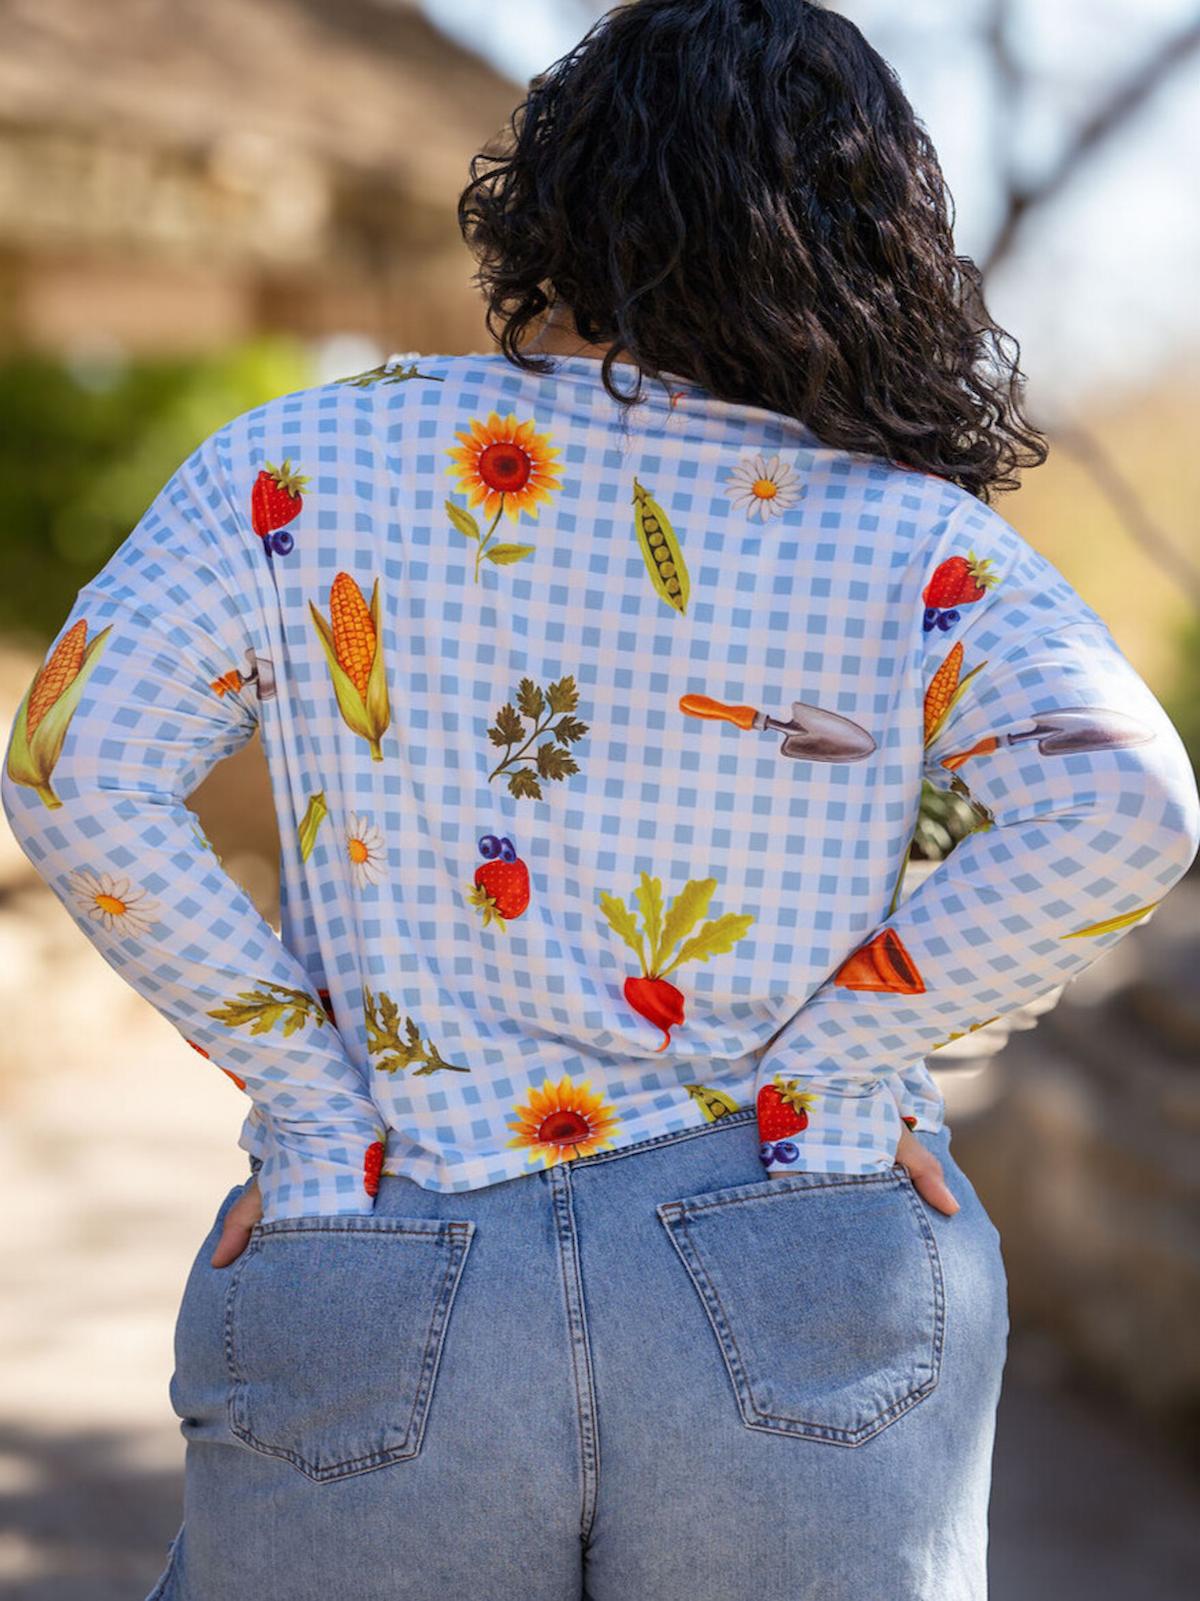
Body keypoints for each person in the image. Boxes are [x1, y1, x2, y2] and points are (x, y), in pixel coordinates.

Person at [4, 3, 1198, 1598]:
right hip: (799, 1248)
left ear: (558, 204)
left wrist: (305, 1093)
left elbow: (68, 760)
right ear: (857, 238)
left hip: (385, 1234)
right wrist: (839, 1070)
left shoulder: (299, 464)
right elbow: (1127, 804)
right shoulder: (913, 544)